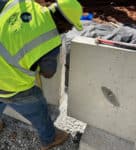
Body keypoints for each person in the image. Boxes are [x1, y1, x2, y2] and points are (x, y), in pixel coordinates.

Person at [0, 0, 83, 149]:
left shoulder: (23, 3)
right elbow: (48, 73)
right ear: (64, 23)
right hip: (9, 84)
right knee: (37, 106)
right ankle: (49, 138)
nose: (69, 31)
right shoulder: (51, 41)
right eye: (70, 27)